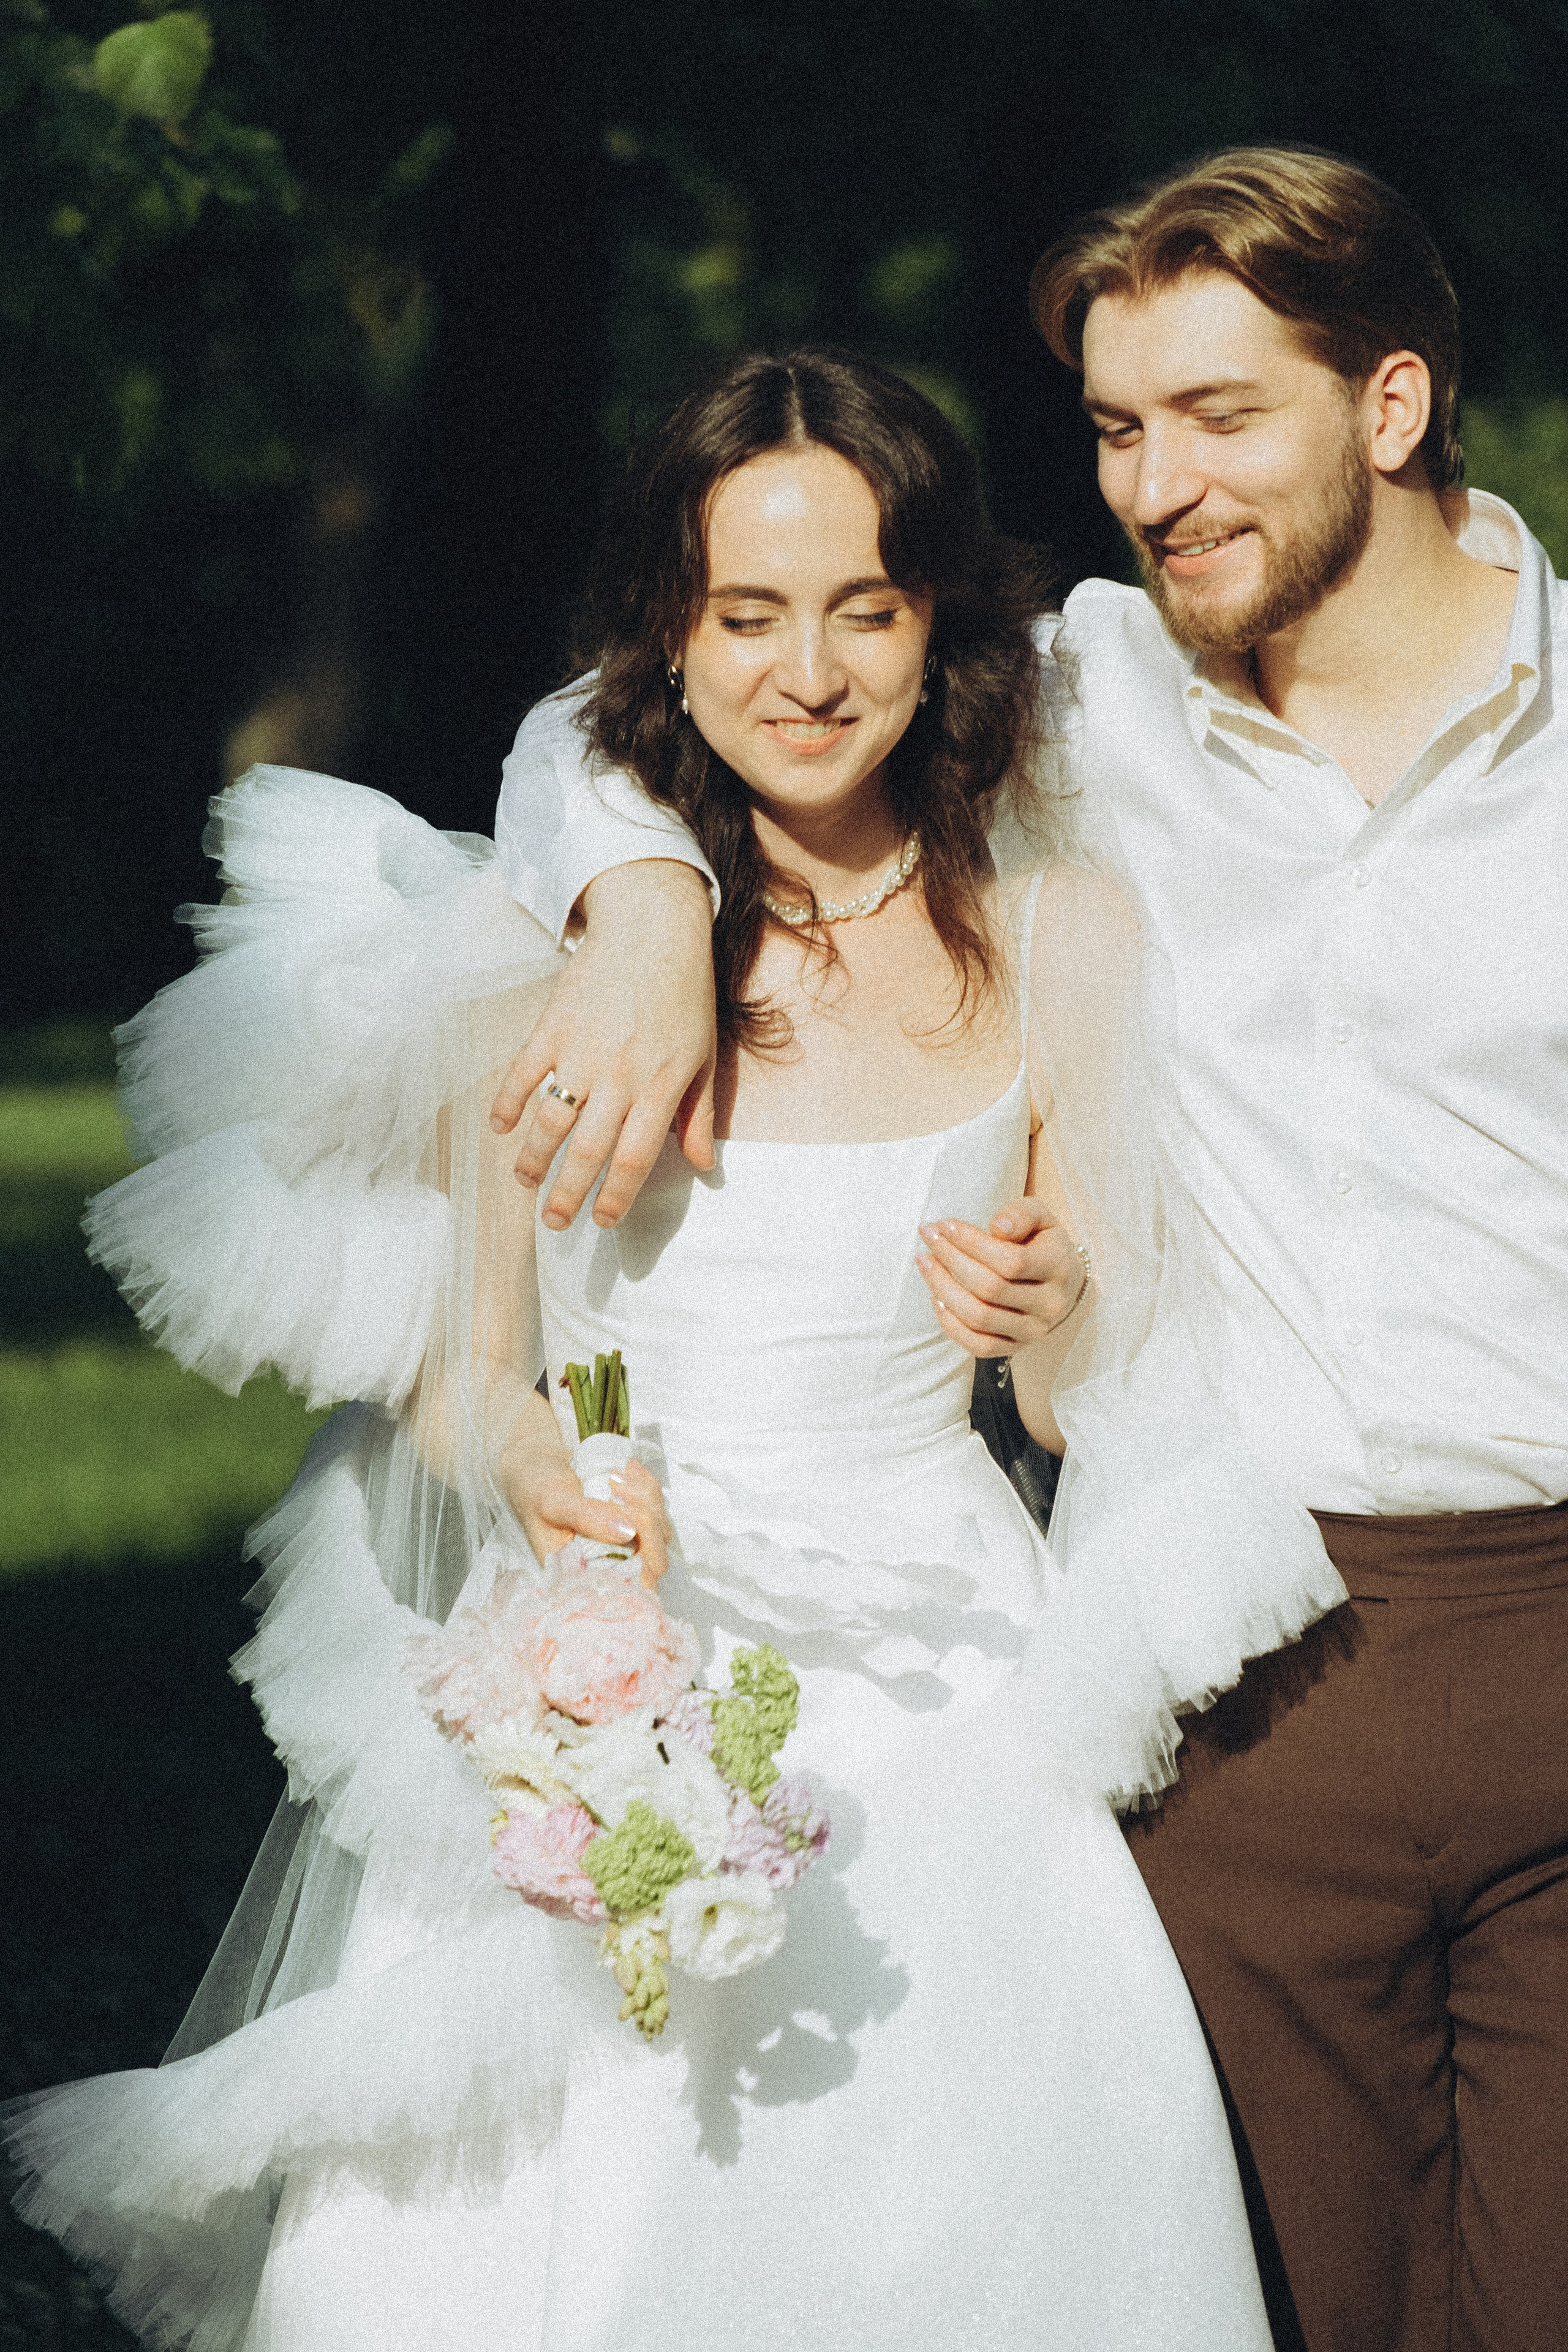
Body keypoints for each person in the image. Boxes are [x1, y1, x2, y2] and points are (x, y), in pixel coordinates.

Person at [2, 349, 1339, 2351]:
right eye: (747, 614)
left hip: (940, 1680)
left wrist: (1053, 1310)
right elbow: (466, 1364)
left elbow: (1071, 1397)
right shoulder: (576, 938)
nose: (807, 670)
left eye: (864, 610)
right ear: (669, 635)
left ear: (937, 625)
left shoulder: (1058, 930)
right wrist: (538, 1473)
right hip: (617, 1651)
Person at [483, 151, 1568, 2352]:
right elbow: (680, 697)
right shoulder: (1100, 699)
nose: (1156, 487)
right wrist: (650, 905)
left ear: (1391, 405)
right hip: (1250, 1661)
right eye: (1113, 429)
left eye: (1216, 414)